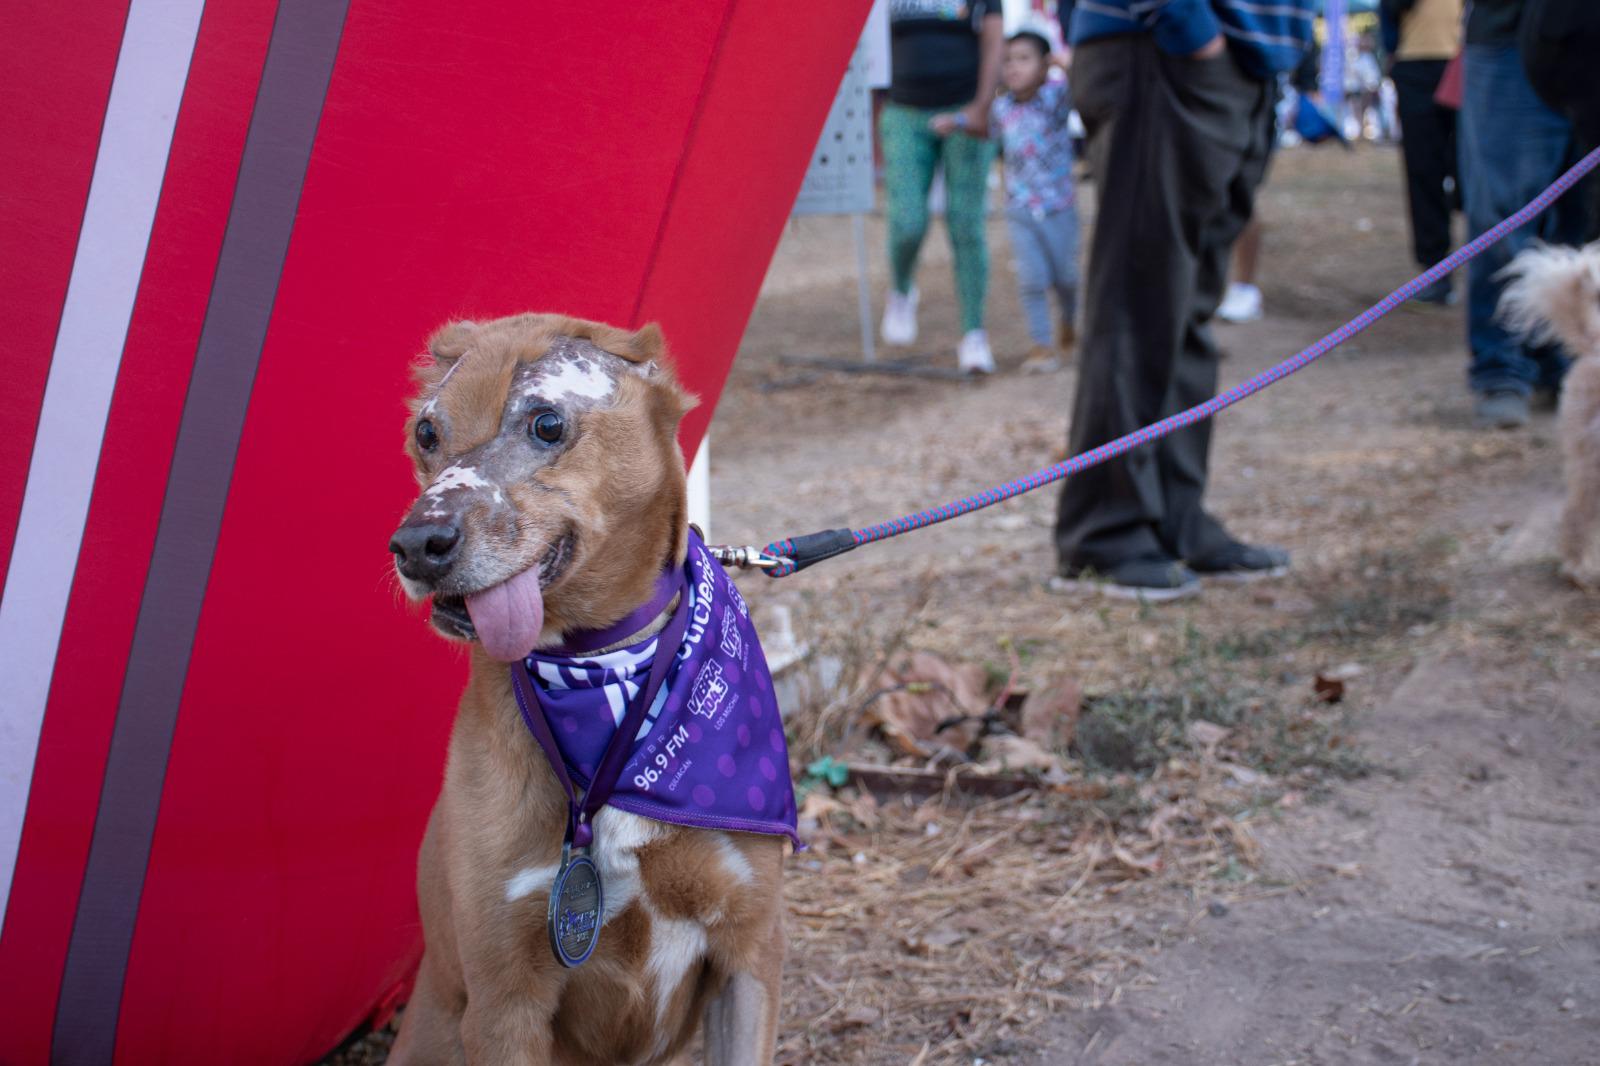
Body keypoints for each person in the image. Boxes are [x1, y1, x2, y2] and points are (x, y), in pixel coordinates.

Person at [1052, 0, 1314, 601]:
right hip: (1167, 48)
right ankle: (1106, 531)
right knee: (1137, 304)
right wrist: (1189, 30)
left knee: (1185, 306)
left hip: (1239, 61)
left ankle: (1174, 514)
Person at [1459, 0, 1585, 428]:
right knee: (1501, 213)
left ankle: (1571, 357)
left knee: (1584, 220)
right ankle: (1502, 367)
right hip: (1509, 35)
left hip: (1589, 41)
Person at [880, 0, 1005, 374]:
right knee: (907, 221)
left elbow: (994, 40)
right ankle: (902, 289)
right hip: (903, 111)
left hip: (964, 108)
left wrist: (982, 106)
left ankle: (973, 334)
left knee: (966, 225)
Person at [988, 29, 1079, 370]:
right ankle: (1041, 345)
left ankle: (1070, 319)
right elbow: (990, 138)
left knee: (1066, 278)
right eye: (1008, 60)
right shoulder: (1001, 108)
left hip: (1060, 206)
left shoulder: (1056, 99)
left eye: (1024, 59)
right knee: (1031, 278)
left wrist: (1064, 65)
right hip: (1020, 209)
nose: (1013, 67)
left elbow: (1081, 88)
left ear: (1044, 66)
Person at [1380, 0, 1463, 306]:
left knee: (1472, 174)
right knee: (1423, 171)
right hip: (1414, 66)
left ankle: (1492, 266)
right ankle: (1435, 271)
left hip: (1466, 61)